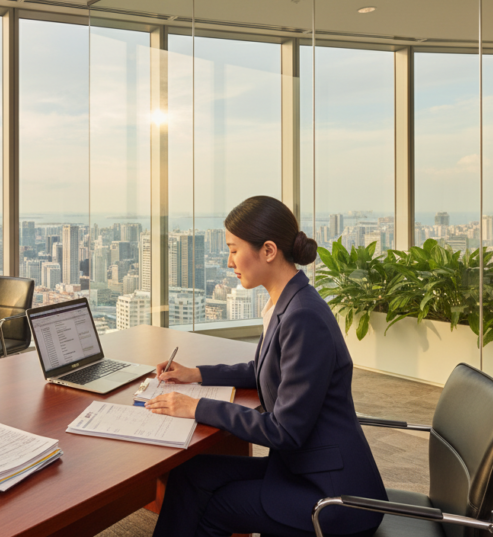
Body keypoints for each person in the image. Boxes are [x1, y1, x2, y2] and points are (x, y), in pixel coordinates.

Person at [145, 196, 386, 537]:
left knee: (216, 506)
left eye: (232, 249)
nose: (229, 262)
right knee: (191, 473)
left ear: (268, 250)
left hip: (331, 493)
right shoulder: (286, 301)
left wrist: (197, 407)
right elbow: (262, 368)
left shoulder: (303, 316)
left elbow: (284, 431)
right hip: (304, 466)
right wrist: (196, 375)